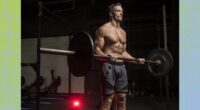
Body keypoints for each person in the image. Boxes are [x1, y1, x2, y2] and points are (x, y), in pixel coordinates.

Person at [94, 3, 145, 110]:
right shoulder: (103, 29)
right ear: (111, 14)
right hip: (108, 65)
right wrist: (107, 56)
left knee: (122, 98)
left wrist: (136, 60)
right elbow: (96, 50)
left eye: (121, 11)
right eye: (118, 11)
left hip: (121, 66)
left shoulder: (123, 32)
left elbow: (123, 52)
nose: (121, 13)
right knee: (109, 98)